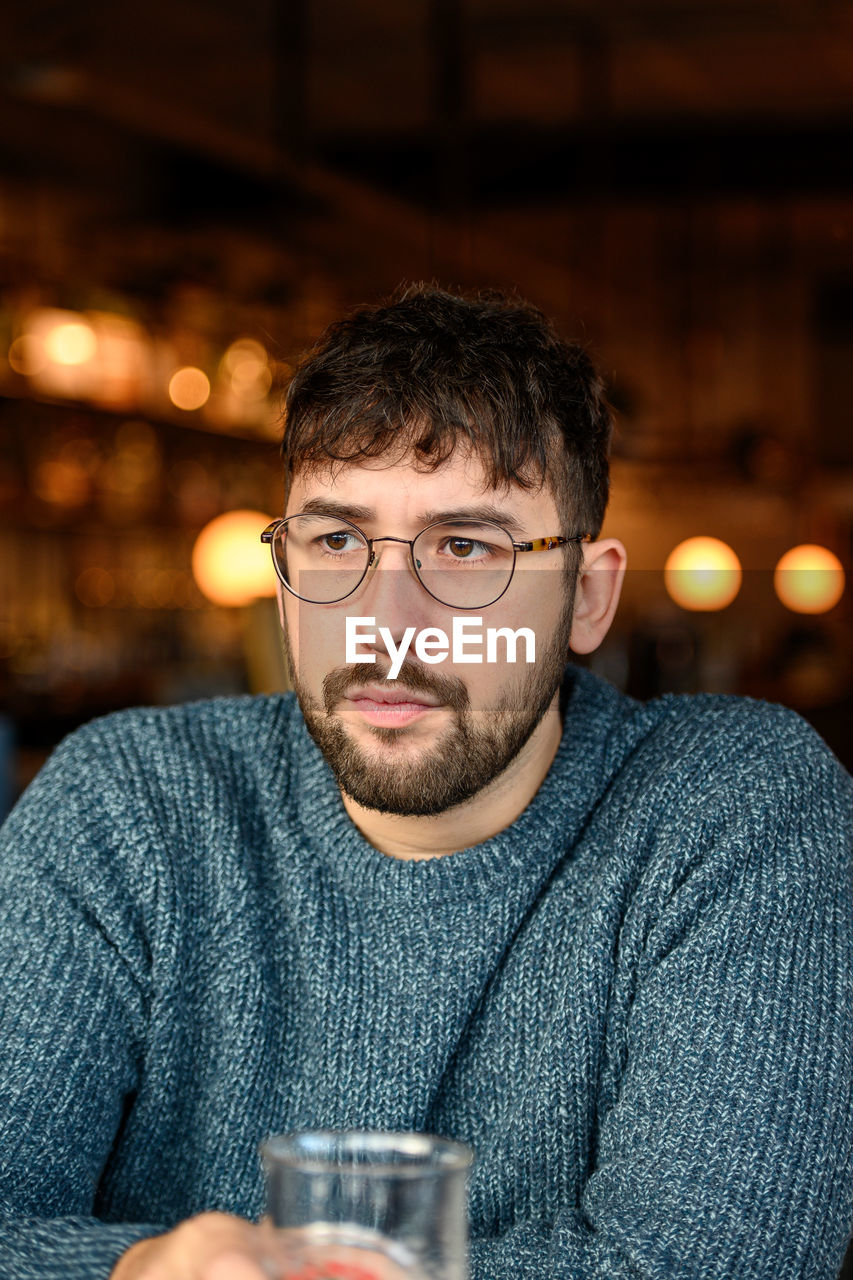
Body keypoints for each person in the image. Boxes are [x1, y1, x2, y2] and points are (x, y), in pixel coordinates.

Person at [1, 284, 851, 1280]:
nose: (388, 617)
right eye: (334, 540)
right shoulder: (124, 806)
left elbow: (711, 1264)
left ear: (586, 594)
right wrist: (143, 1269)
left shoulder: (734, 810)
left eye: (464, 546)